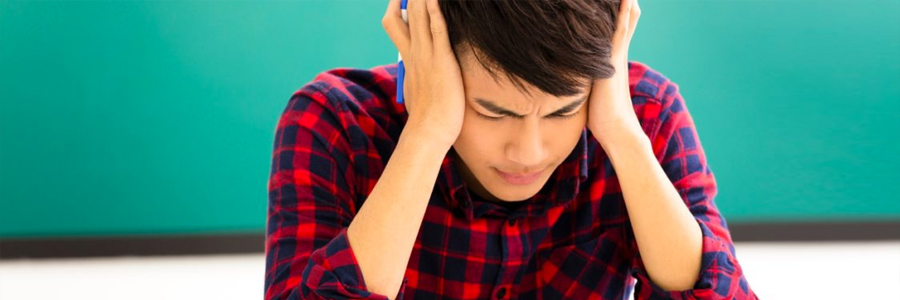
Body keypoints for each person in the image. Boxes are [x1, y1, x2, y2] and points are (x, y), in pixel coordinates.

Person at [264, 0, 757, 299]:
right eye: (494, 112)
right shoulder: (334, 125)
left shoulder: (643, 117)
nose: (529, 151)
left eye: (563, 111)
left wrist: (625, 140)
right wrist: (428, 133)